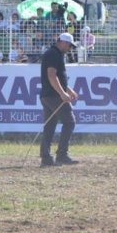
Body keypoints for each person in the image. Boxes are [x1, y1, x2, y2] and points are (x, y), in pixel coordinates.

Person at [39, 33, 79, 167]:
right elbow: (51, 75)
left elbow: (59, 78)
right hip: (54, 95)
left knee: (49, 126)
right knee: (70, 122)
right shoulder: (53, 54)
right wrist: (62, 93)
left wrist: (69, 90)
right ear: (61, 42)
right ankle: (62, 154)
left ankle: (46, 158)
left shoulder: (55, 54)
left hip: (47, 95)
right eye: (68, 45)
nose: (69, 48)